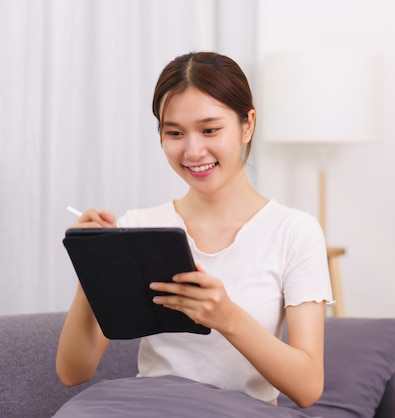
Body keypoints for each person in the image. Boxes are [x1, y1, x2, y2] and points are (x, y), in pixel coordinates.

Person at [56, 51, 333, 408]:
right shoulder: (137, 228)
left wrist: (227, 318)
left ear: (247, 124)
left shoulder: (295, 232)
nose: (193, 150)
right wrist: (92, 261)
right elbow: (72, 372)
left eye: (210, 129)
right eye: (174, 133)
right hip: (146, 408)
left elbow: (308, 388)